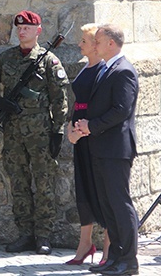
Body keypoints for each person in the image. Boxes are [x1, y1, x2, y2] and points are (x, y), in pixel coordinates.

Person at [0, 10, 69, 255]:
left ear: (38, 30)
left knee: (44, 183)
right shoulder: (6, 59)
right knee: (18, 182)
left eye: (27, 27)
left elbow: (60, 99)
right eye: (19, 27)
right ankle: (25, 234)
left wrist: (58, 131)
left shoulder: (49, 61)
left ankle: (44, 236)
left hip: (40, 132)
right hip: (14, 131)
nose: (22, 31)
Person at [74, 24, 139, 276]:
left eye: (98, 41)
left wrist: (92, 126)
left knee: (120, 205)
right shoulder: (107, 68)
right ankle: (114, 258)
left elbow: (121, 110)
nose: (95, 45)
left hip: (115, 149)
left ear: (111, 43)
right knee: (107, 206)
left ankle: (129, 261)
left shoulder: (123, 71)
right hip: (100, 147)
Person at [65, 24, 110, 265]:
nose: (79, 44)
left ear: (96, 45)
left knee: (101, 190)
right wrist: (72, 131)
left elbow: (97, 107)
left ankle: (108, 248)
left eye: (84, 41)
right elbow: (77, 103)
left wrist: (81, 131)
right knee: (83, 188)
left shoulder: (104, 71)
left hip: (94, 136)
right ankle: (84, 245)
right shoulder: (85, 68)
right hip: (79, 135)